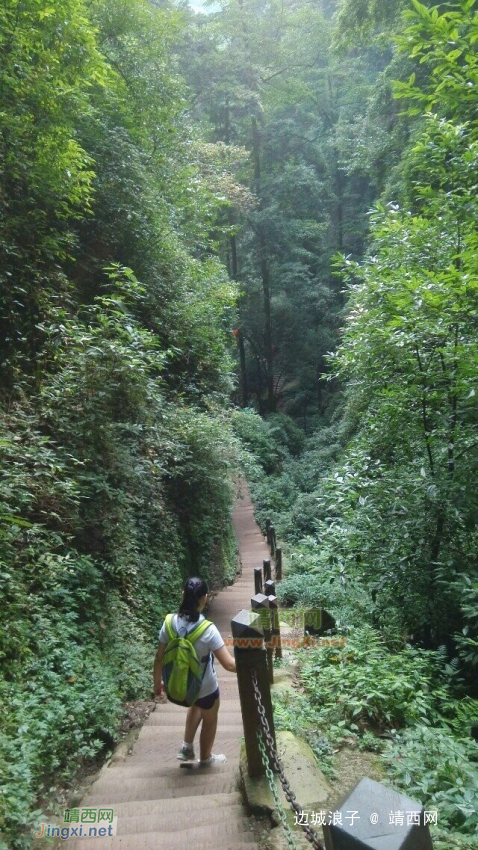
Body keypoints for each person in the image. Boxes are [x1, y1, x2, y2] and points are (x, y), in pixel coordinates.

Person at [153, 576, 236, 766]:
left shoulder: (169, 623)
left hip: (181, 684)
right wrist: (251, 665)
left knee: (194, 704)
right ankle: (205, 758)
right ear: (204, 598)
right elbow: (229, 665)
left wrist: (158, 684)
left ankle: (187, 747)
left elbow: (159, 658)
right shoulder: (208, 629)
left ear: (183, 594)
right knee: (210, 719)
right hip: (205, 687)